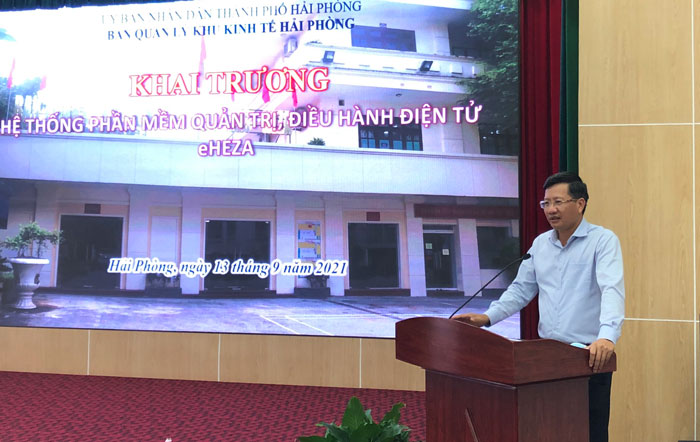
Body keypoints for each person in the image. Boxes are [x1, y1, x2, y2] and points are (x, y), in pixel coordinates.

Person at [453, 171, 624, 442]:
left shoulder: (602, 241)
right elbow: (521, 290)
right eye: (546, 203)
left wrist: (607, 337)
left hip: (587, 357)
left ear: (580, 204)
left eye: (558, 202)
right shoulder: (540, 244)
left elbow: (611, 289)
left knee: (589, 433)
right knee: (547, 430)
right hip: (547, 356)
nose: (551, 210)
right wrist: (487, 317)